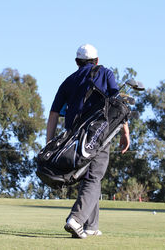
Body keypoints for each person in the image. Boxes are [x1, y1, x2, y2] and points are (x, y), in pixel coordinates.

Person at [46, 44, 130, 239]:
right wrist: (125, 132)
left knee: (88, 177)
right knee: (94, 177)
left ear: (77, 62)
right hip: (98, 133)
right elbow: (118, 103)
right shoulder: (106, 73)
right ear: (97, 61)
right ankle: (76, 219)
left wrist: (50, 142)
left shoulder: (68, 81)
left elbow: (53, 113)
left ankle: (91, 226)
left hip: (73, 138)